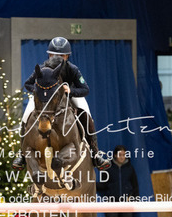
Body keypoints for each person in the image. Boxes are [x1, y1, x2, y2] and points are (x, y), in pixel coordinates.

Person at [12, 36, 108, 170]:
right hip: (45, 99)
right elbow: (28, 84)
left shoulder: (72, 69)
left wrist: (70, 90)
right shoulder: (42, 69)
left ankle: (95, 153)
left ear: (67, 56)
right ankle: (22, 154)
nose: (57, 57)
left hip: (68, 97)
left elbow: (85, 89)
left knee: (86, 114)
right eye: (53, 54)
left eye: (61, 55)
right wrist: (38, 90)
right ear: (49, 55)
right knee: (26, 116)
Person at [97, 145, 139, 217]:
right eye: (120, 154)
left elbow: (135, 186)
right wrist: (92, 184)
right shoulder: (109, 168)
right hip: (112, 202)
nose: (122, 157)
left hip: (127, 202)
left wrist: (134, 200)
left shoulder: (130, 168)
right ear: (115, 155)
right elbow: (104, 185)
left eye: (124, 154)